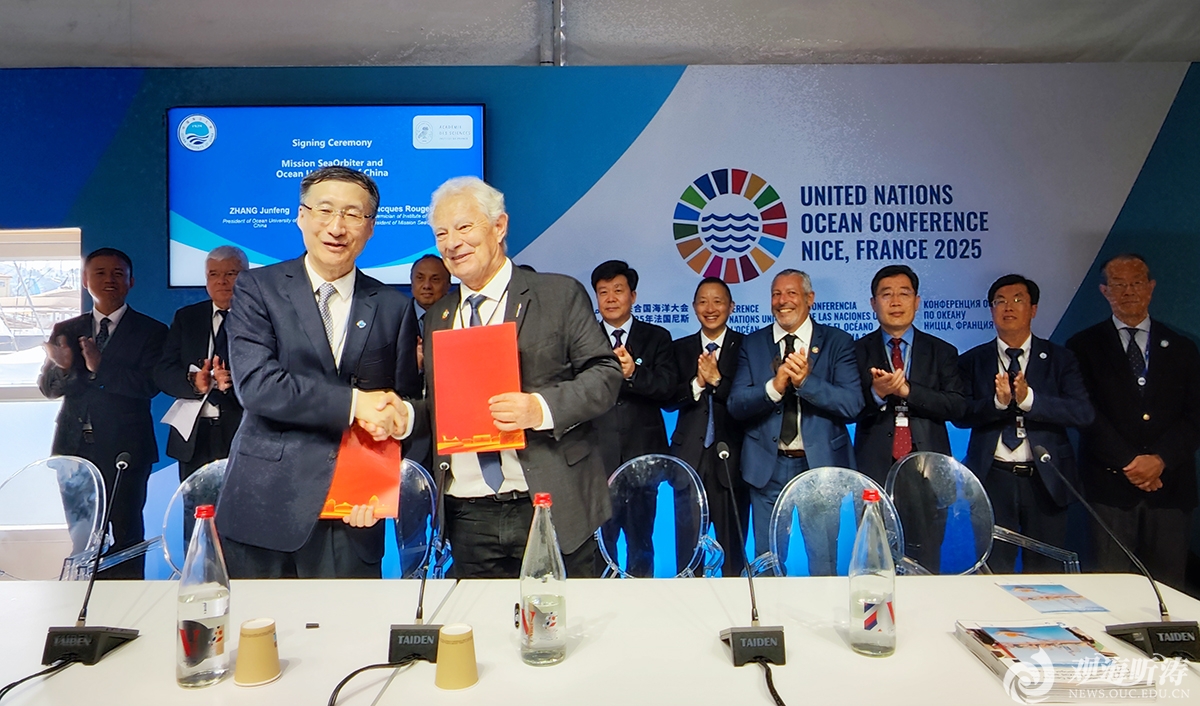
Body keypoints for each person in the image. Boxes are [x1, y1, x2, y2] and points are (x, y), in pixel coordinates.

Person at [400, 176, 622, 579]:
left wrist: (539, 408)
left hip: (548, 501)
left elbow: (605, 375)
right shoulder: (438, 317)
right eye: (441, 233)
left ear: (499, 226)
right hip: (467, 511)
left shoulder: (558, 295)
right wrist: (406, 414)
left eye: (464, 227)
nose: (452, 243)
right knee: (479, 619)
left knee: (557, 617)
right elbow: (443, 404)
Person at [216, 166, 421, 579]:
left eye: (352, 214)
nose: (337, 227)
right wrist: (355, 403)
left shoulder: (393, 306)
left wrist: (383, 485)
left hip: (354, 513)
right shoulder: (258, 289)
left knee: (348, 621)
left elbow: (401, 401)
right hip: (266, 503)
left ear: (371, 227)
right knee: (259, 621)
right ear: (301, 216)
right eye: (325, 210)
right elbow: (258, 387)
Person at [1066, 254, 1200, 590]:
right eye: (1119, 284)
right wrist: (1130, 462)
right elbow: (1085, 413)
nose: (1128, 291)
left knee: (1169, 590)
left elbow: (1195, 416)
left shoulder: (1183, 347)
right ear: (1104, 291)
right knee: (1111, 590)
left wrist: (1159, 460)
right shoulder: (1082, 346)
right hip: (1108, 489)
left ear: (1151, 288)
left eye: (1136, 283)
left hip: (1170, 488)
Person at [39, 247, 167, 579]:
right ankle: (84, 599)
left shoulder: (152, 331)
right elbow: (49, 388)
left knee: (127, 535)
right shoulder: (67, 329)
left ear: (131, 282)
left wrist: (100, 366)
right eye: (100, 273)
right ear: (85, 280)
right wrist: (64, 368)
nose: (109, 279)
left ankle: (127, 603)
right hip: (74, 450)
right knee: (82, 536)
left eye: (118, 273)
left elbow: (149, 385)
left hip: (127, 449)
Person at [955, 274, 1093, 573]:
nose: (1008, 307)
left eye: (1018, 300)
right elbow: (961, 414)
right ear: (991, 310)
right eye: (1000, 301)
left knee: (1046, 572)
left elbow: (1082, 413)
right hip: (992, 477)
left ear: (1033, 309)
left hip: (1045, 480)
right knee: (994, 569)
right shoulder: (972, 360)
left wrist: (1029, 399)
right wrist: (998, 403)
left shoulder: (1060, 359)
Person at [729, 269, 863, 572]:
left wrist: (805, 383)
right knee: (767, 562)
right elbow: (737, 404)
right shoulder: (753, 343)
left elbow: (852, 404)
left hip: (819, 467)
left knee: (824, 562)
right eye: (776, 294)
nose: (782, 301)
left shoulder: (838, 341)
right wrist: (774, 388)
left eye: (791, 293)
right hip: (767, 467)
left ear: (809, 298)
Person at [853, 265, 967, 571]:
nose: (895, 302)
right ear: (873, 303)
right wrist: (876, 394)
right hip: (874, 470)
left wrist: (908, 391)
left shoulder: (942, 351)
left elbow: (957, 407)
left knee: (925, 563)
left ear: (916, 302)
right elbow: (847, 407)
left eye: (904, 294)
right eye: (886, 294)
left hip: (927, 471)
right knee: (874, 563)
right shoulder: (856, 351)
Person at [154, 245, 247, 544]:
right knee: (195, 522)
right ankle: (197, 569)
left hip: (241, 432)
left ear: (246, 277)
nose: (222, 281)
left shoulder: (261, 317)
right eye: (214, 275)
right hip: (195, 436)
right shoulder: (187, 317)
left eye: (231, 274)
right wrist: (195, 382)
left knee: (241, 520)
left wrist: (235, 382)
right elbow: (163, 371)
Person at [591, 259, 677, 577]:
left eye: (618, 290)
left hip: (643, 460)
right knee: (600, 545)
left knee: (641, 544)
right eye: (603, 292)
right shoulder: (584, 338)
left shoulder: (656, 337)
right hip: (597, 461)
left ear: (633, 296)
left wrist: (634, 374)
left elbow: (668, 389)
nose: (611, 298)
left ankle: (642, 603)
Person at [666, 276, 749, 576]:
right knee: (687, 555)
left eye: (717, 301)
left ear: (731, 306)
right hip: (689, 460)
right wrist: (698, 384)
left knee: (733, 554)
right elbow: (668, 399)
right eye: (703, 302)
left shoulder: (748, 346)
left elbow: (748, 400)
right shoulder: (679, 348)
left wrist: (717, 380)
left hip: (732, 461)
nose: (710, 308)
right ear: (693, 307)